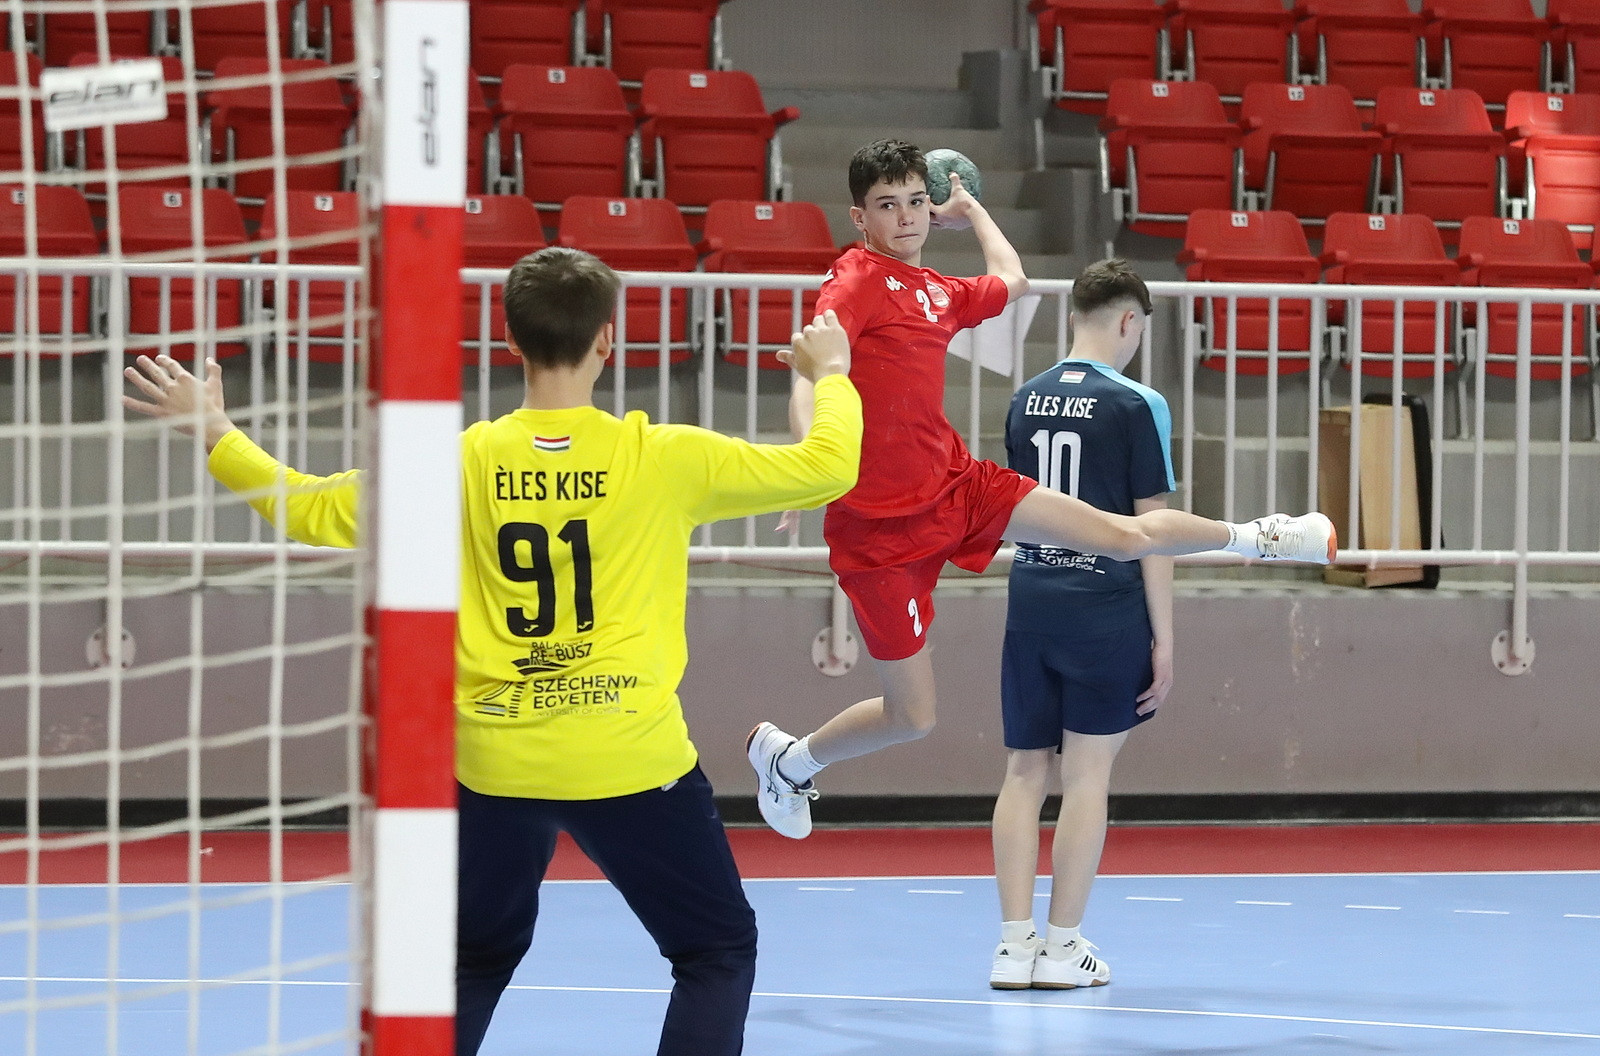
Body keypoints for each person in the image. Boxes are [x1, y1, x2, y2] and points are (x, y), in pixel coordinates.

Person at [122, 247, 864, 1056]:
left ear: (508, 341)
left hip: (494, 757)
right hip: (627, 755)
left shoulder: (461, 462)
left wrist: (216, 430)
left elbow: (307, 509)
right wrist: (831, 373)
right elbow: (830, 468)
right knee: (715, 951)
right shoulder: (666, 457)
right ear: (608, 339)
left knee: (472, 958)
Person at [747, 139, 1335, 842]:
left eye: (915, 202)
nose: (905, 218)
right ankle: (790, 762)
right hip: (877, 534)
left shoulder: (937, 291)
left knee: (1120, 534)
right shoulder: (854, 279)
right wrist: (810, 458)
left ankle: (1262, 536)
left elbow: (1013, 279)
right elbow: (811, 370)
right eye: (887, 205)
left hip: (957, 487)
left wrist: (970, 210)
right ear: (859, 218)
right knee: (914, 717)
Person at [988, 258, 1172, 992]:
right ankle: (1063, 947)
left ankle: (1013, 947)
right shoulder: (1138, 404)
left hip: (1032, 596)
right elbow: (1152, 531)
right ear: (1129, 321)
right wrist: (1165, 637)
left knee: (1023, 771)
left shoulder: (1023, 399)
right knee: (1088, 773)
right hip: (1105, 604)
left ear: (1073, 315)